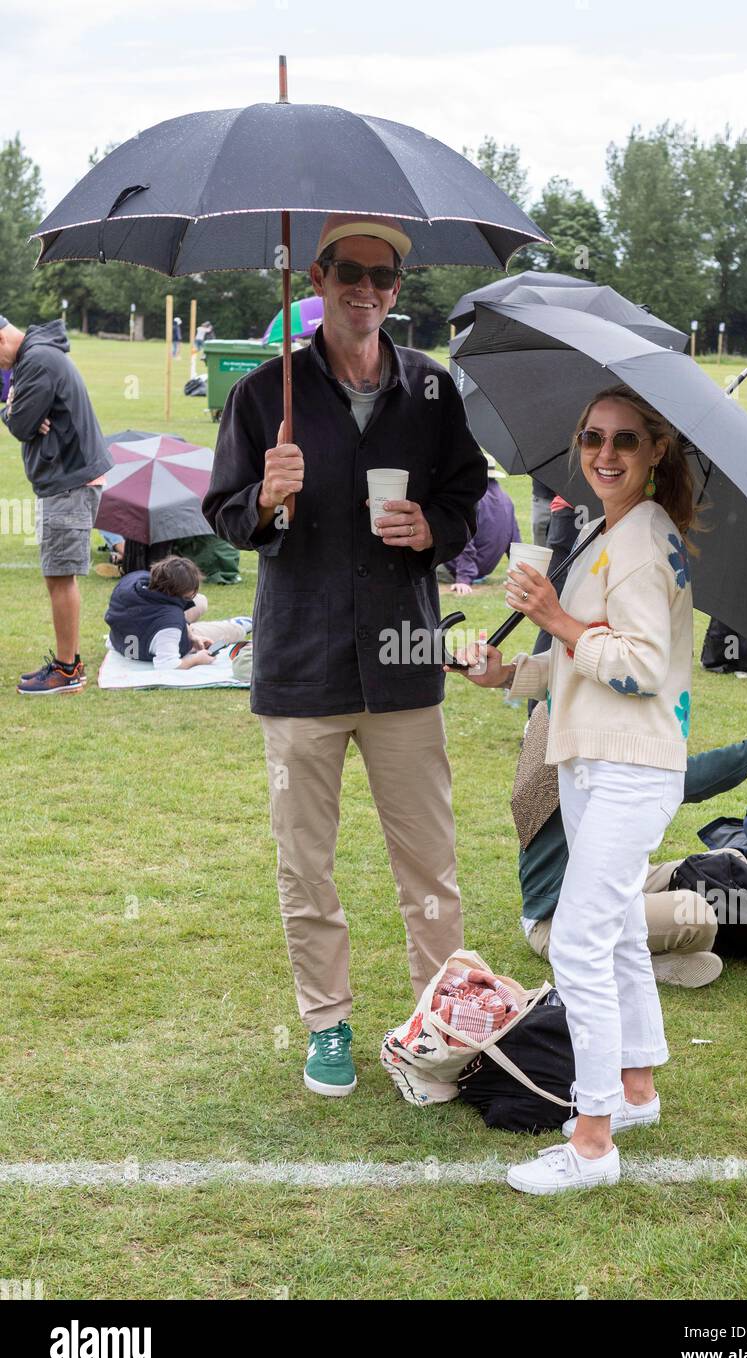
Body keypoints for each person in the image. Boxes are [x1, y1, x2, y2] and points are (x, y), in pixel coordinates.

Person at [203, 212, 487, 1099]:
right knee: (307, 863)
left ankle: (439, 1022)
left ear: (398, 291)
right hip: (301, 666)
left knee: (429, 864)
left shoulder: (432, 390)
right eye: (347, 272)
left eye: (383, 276)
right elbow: (222, 514)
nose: (366, 289)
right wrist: (264, 495)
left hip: (404, 664)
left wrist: (429, 528)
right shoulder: (262, 395)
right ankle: (327, 1023)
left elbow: (467, 493)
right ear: (316, 280)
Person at [450, 383, 695, 1196]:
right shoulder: (607, 529)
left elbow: (640, 666)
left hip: (629, 765)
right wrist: (507, 671)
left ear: (657, 450)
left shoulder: (642, 536)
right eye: (593, 438)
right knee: (619, 930)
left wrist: (555, 618)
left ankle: (592, 1143)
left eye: (627, 440)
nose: (606, 454)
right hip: (593, 758)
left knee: (578, 945)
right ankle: (635, 1090)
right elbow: (578, 661)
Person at [515, 702, 747, 986]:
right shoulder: (579, 729)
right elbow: (685, 780)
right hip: (562, 918)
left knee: (730, 861)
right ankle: (637, 962)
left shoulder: (587, 709)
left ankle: (648, 944)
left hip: (615, 882)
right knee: (697, 915)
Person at [0, 313, 112, 694]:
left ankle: (67, 670)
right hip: (67, 479)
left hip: (69, 481)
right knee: (57, 574)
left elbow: (18, 424)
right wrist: (15, 408)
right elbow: (19, 417)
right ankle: (68, 663)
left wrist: (16, 409)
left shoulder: (37, 362)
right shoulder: (36, 356)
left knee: (61, 576)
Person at [104, 555, 250, 670]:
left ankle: (191, 626)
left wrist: (191, 634)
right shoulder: (169, 623)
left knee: (200, 601)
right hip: (155, 636)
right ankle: (238, 625)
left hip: (128, 635)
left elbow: (161, 613)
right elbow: (167, 664)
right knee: (231, 631)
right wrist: (197, 659)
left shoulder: (131, 582)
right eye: (187, 597)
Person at [439, 460, 520, 595]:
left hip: (458, 570)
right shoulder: (506, 499)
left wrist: (464, 578)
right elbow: (515, 541)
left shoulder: (474, 499)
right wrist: (520, 574)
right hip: (485, 569)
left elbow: (465, 540)